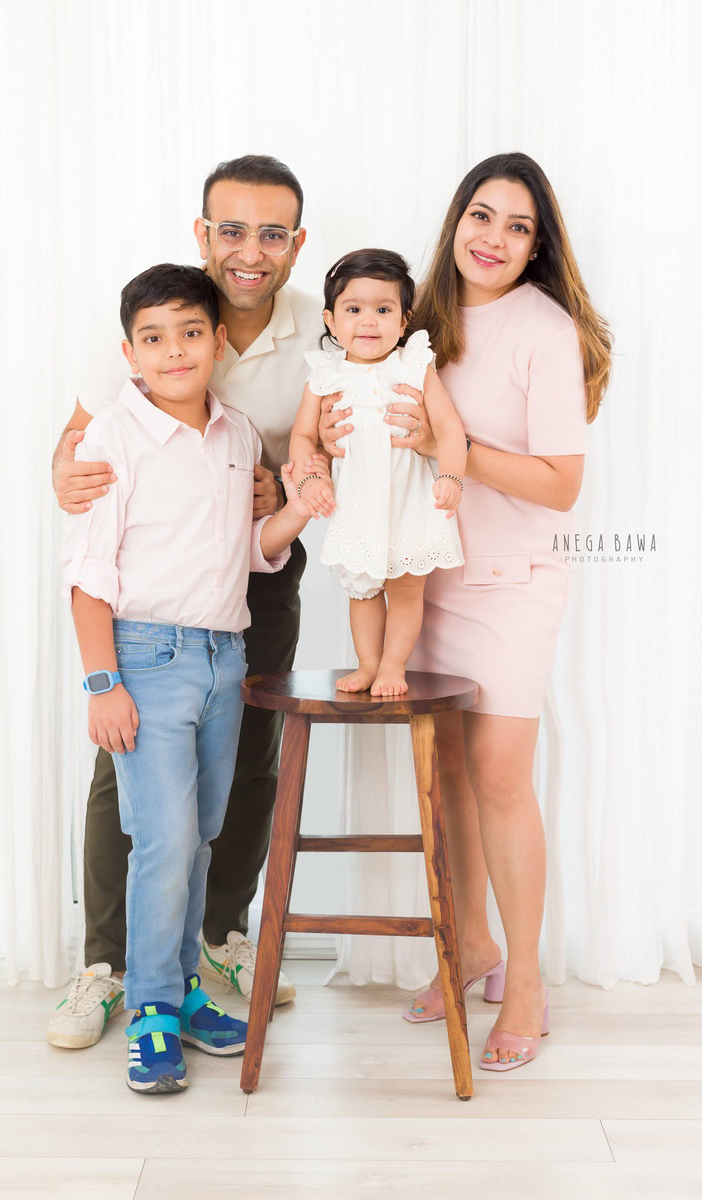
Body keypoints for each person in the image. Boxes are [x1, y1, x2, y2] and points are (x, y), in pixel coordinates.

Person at [319, 153, 611, 1071]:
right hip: (423, 577)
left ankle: (524, 981)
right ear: (456, 221)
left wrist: (456, 448)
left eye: (518, 227)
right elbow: (361, 418)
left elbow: (562, 486)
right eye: (481, 216)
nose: (493, 238)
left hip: (513, 579)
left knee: (497, 775)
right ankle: (470, 945)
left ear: (538, 246)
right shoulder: (415, 320)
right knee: (443, 776)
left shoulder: (544, 329)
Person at [49, 156, 327, 1049]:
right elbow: (81, 444)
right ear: (202, 233)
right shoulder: (161, 310)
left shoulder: (315, 335)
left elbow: (321, 464)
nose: (251, 250)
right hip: (146, 609)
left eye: (271, 232)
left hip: (244, 595)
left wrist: (284, 490)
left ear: (295, 243)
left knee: (241, 770)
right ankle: (113, 970)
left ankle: (213, 946)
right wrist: (66, 467)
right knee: (131, 784)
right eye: (232, 229)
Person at [290, 248, 466, 696]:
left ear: (404, 322)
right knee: (363, 591)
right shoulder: (325, 375)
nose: (369, 321)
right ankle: (368, 663)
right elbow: (303, 437)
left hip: (409, 500)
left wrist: (451, 476)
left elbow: (448, 428)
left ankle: (394, 665)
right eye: (354, 309)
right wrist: (312, 478)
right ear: (330, 320)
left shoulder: (414, 365)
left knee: (406, 591)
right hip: (357, 504)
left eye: (383, 310)